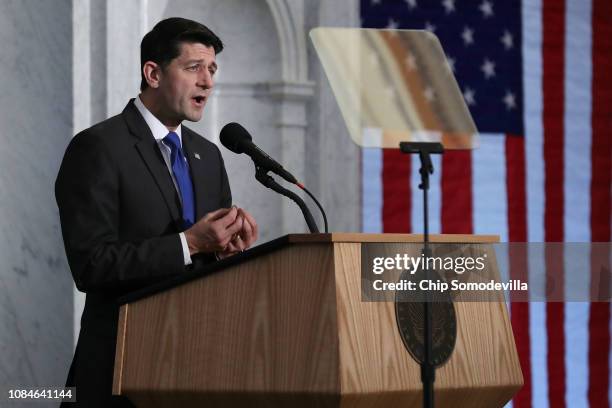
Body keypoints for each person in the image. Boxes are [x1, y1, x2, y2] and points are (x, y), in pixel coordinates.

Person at [55, 18, 257, 407]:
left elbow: (205, 259)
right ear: (153, 73)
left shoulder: (209, 156)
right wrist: (190, 243)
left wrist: (225, 252)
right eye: (194, 67)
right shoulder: (98, 147)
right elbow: (90, 265)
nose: (207, 81)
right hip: (120, 370)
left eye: (212, 69)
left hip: (198, 369)